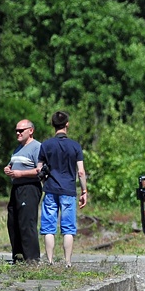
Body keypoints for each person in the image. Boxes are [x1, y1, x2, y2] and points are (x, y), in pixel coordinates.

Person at [38, 111, 87, 266]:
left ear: (53, 125)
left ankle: (50, 261)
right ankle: (67, 262)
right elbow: (81, 171)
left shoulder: (45, 145)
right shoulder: (75, 146)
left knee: (48, 228)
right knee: (68, 228)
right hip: (68, 191)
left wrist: (45, 180)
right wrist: (84, 191)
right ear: (67, 124)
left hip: (51, 190)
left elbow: (39, 170)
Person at [5, 120, 43, 263]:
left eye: (21, 130)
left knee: (27, 223)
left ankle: (32, 259)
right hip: (16, 188)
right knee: (13, 222)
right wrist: (8, 168)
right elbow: (14, 163)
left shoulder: (37, 147)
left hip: (29, 187)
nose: (18, 133)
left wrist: (20, 174)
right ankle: (18, 257)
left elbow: (40, 170)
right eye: (16, 130)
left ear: (31, 131)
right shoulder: (18, 148)